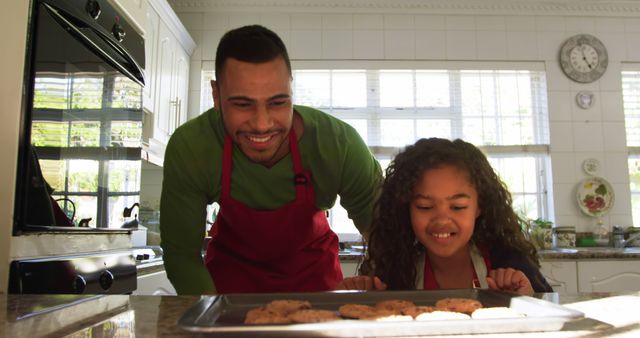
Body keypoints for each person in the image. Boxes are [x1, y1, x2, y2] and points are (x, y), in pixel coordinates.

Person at [160, 25, 382, 295]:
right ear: (216, 95)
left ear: (291, 89)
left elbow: (384, 233)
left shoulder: (339, 144)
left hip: (316, 290)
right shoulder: (192, 146)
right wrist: (213, 317)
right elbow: (181, 257)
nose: (262, 124)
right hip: (228, 292)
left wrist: (380, 284)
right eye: (242, 104)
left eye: (277, 103)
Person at [336, 138, 552, 295]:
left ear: (479, 207)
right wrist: (363, 299)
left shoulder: (510, 262)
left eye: (457, 207)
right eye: (425, 206)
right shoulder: (394, 267)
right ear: (406, 208)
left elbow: (551, 320)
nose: (441, 220)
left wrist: (528, 299)